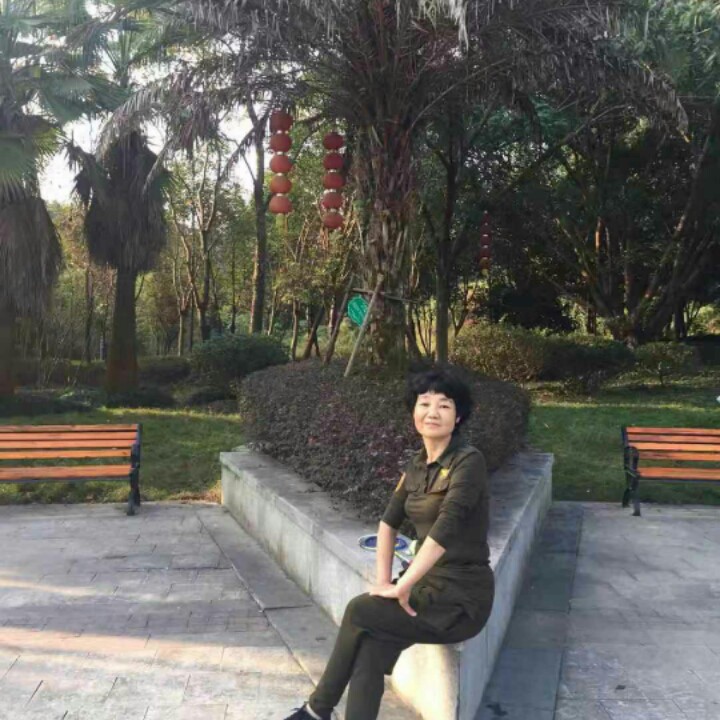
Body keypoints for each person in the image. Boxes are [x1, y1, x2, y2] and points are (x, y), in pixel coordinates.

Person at [284, 367, 494, 720]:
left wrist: (402, 586)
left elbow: (445, 530)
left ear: (458, 416)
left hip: (460, 598)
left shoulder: (468, 462)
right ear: (413, 411)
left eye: (444, 405)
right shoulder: (415, 466)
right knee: (370, 646)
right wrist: (384, 582)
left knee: (359, 610)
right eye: (424, 403)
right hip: (425, 587)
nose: (433, 412)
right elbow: (387, 523)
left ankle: (316, 711)